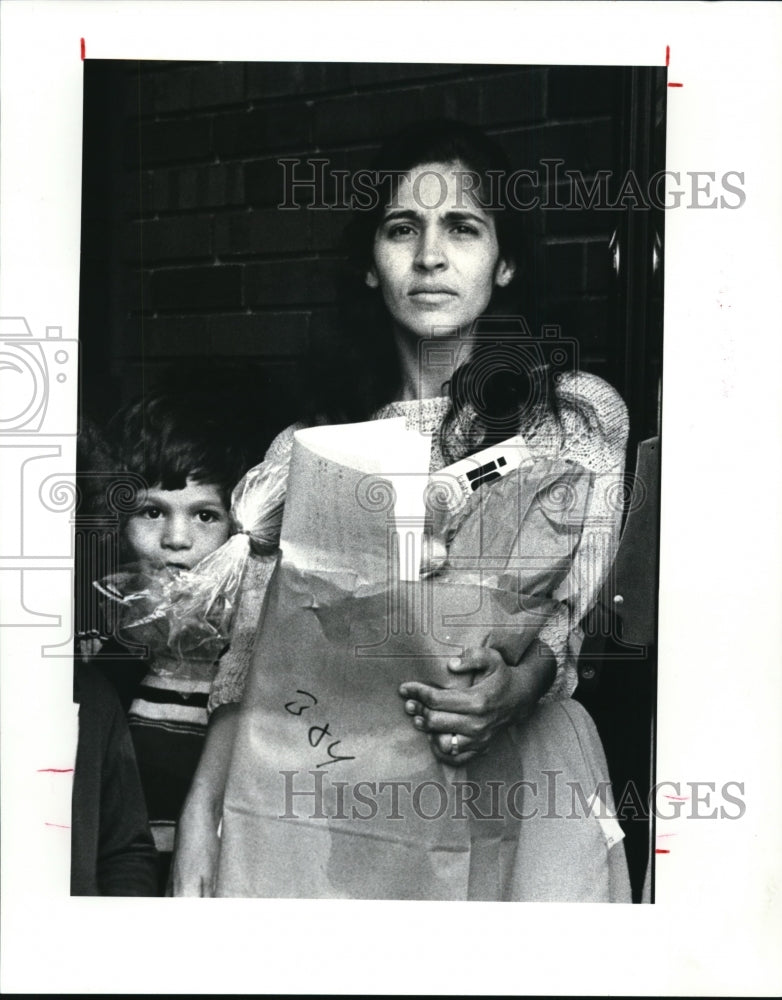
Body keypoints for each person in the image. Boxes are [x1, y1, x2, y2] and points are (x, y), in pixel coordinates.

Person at [173, 120, 631, 900]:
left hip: (523, 774)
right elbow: (254, 656)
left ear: (506, 259)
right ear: (368, 266)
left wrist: (515, 689)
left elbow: (573, 608)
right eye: (401, 229)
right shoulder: (309, 449)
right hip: (342, 781)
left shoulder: (572, 420)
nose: (429, 256)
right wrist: (200, 816)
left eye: (462, 227)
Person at [82, 391, 253, 892]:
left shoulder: (253, 643)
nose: (176, 539)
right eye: (152, 512)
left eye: (205, 516)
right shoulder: (100, 638)